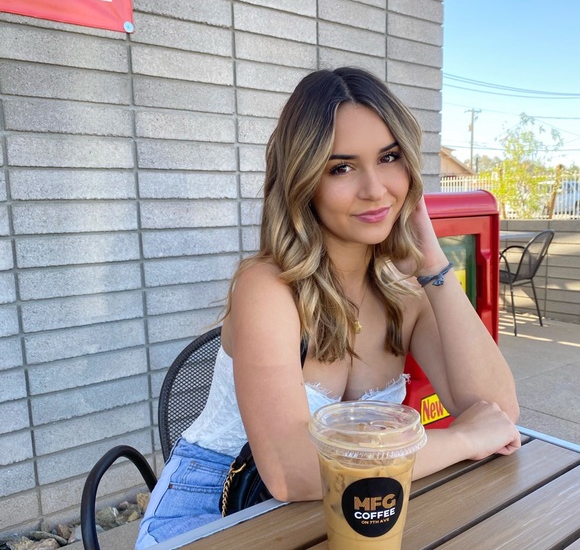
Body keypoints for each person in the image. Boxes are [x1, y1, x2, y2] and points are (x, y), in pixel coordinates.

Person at [136, 67, 520, 548]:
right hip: (219, 509)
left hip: (352, 507)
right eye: (341, 167)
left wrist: (434, 267)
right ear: (303, 181)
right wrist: (461, 439)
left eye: (389, 158)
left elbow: (497, 413)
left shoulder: (406, 294)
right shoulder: (268, 288)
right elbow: (292, 471)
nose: (375, 188)